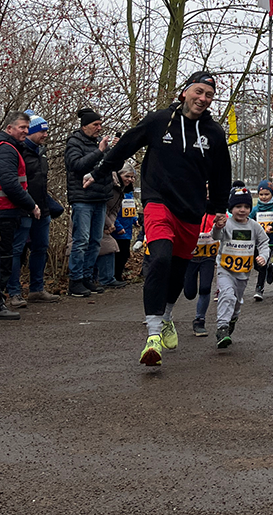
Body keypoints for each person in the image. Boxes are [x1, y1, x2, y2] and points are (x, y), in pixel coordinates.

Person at [85, 71, 231, 367]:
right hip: (158, 202)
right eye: (199, 91)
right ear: (185, 92)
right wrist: (99, 172)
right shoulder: (159, 121)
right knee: (160, 258)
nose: (203, 98)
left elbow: (221, 173)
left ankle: (166, 316)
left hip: (191, 211)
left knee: (177, 270)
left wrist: (218, 208)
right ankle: (153, 335)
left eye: (209, 95)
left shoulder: (213, 132)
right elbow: (124, 146)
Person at [0, 111, 40, 320]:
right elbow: (9, 183)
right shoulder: (5, 149)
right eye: (22, 127)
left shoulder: (4, 147)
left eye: (27, 127)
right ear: (9, 128)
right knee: (0, 259)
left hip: (0, 210)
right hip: (1, 212)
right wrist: (31, 205)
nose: (25, 131)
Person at [8, 114, 59, 306]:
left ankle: (37, 289)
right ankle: (13, 292)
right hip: (23, 209)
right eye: (41, 131)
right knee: (17, 250)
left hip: (42, 209)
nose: (45, 135)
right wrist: (28, 204)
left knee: (41, 248)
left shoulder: (41, 153)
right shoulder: (18, 152)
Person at [65, 108, 115, 298]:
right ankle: (75, 279)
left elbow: (112, 166)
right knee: (81, 240)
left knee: (95, 241)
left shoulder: (99, 142)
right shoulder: (74, 142)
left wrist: (114, 152)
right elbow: (76, 166)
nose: (99, 128)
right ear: (84, 126)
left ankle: (87, 276)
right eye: (95, 125)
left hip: (100, 198)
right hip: (82, 199)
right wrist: (99, 151)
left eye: (100, 125)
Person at [211, 188, 270, 348]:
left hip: (243, 272)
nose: (242, 210)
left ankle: (232, 318)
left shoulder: (254, 226)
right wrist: (217, 227)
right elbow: (215, 236)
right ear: (231, 208)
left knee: (236, 302)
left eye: (246, 206)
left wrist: (263, 256)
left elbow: (264, 242)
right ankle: (222, 328)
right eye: (238, 206)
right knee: (227, 295)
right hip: (225, 269)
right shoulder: (226, 224)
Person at [252, 180, 273, 300]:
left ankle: (259, 288)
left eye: (267, 194)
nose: (264, 197)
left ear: (272, 194)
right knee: (256, 264)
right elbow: (248, 221)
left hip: (271, 241)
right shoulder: (255, 209)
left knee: (262, 263)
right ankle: (270, 268)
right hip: (257, 241)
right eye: (261, 194)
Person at [112, 164, 137, 282]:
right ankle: (114, 276)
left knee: (125, 254)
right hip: (117, 229)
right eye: (127, 176)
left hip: (127, 229)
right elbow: (112, 211)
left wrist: (135, 220)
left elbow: (130, 210)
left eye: (132, 177)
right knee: (117, 254)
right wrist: (118, 226)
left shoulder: (129, 192)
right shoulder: (115, 191)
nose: (130, 179)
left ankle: (118, 275)